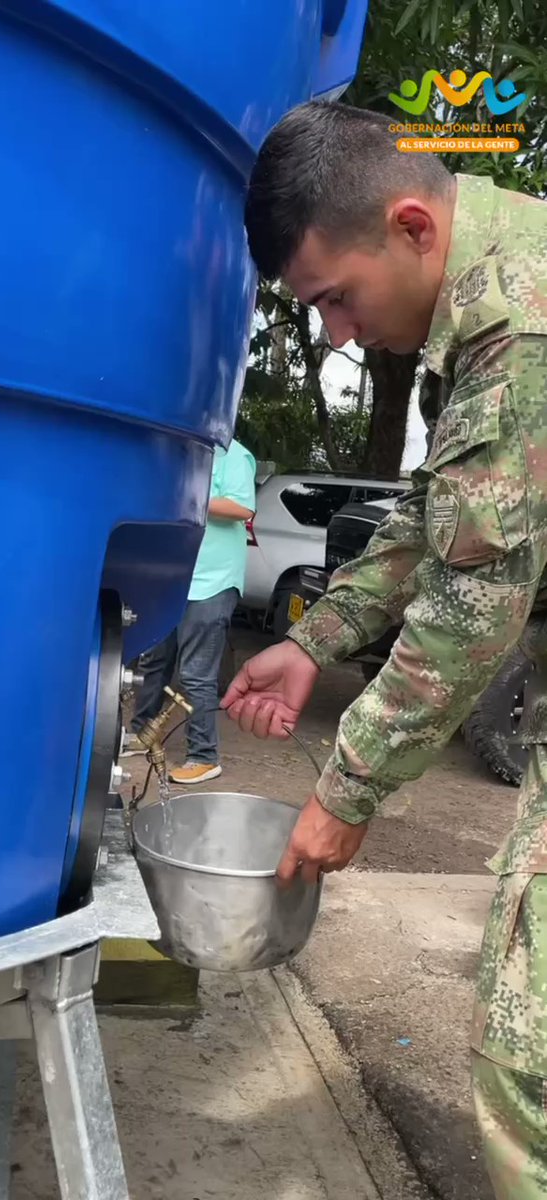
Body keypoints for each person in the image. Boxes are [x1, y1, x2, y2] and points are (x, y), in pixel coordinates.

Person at [223, 100, 546, 1197]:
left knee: (528, 1064)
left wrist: (347, 788)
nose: (337, 337)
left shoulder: (519, 329)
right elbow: (430, 517)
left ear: (411, 226)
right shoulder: (487, 302)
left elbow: (471, 602)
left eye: (336, 301)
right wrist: (314, 638)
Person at [127, 438, 256, 785]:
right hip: (172, 579)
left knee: (196, 673)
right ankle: (143, 733)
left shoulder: (235, 455)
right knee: (154, 659)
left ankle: (203, 755)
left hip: (213, 580)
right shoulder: (179, 450)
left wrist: (184, 497)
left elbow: (242, 508)